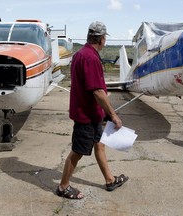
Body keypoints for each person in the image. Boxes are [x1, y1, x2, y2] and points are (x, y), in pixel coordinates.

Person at [56, 21, 129, 199]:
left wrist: (102, 104)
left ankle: (110, 180)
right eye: (105, 39)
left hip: (93, 113)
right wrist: (113, 115)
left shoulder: (81, 54)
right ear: (102, 39)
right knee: (78, 151)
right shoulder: (91, 57)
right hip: (86, 115)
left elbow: (91, 87)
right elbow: (97, 91)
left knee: (100, 144)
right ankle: (63, 186)